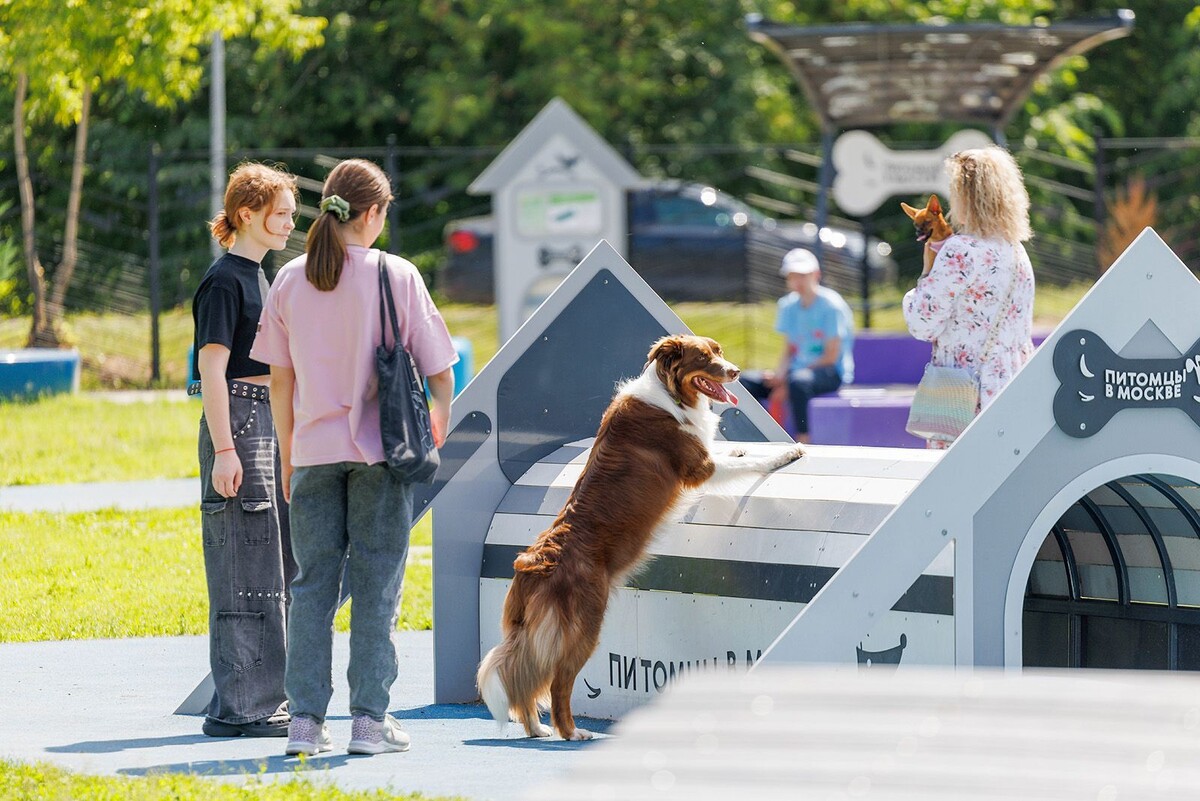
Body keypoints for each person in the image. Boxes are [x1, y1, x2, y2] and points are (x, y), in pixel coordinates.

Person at [250, 158, 458, 757]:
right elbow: (440, 373)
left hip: (312, 454)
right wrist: (435, 422)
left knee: (311, 586)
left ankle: (303, 725)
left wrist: (288, 458)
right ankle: (369, 723)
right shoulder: (398, 275)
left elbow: (280, 383)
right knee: (376, 586)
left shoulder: (289, 278)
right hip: (382, 455)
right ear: (372, 213)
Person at [190, 162, 298, 738]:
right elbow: (211, 367)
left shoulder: (263, 276)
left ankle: (266, 699)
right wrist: (227, 449)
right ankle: (242, 708)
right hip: (238, 419)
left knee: (274, 561)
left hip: (266, 421)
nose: (288, 223)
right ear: (246, 215)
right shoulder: (225, 281)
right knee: (244, 562)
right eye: (279, 213)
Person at [902, 146, 1035, 448]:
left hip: (964, 400)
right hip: (1013, 390)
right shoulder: (1016, 250)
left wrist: (921, 281)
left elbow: (922, 323)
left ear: (966, 196)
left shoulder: (961, 250)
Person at [741, 248, 854, 443]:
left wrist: (787, 380)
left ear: (816, 274)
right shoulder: (787, 305)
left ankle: (803, 442)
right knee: (745, 381)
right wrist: (779, 375)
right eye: (793, 276)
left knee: (799, 383)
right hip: (795, 373)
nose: (797, 282)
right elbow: (789, 349)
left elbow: (831, 356)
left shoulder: (831, 305)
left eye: (803, 275)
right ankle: (754, 436)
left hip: (828, 372)